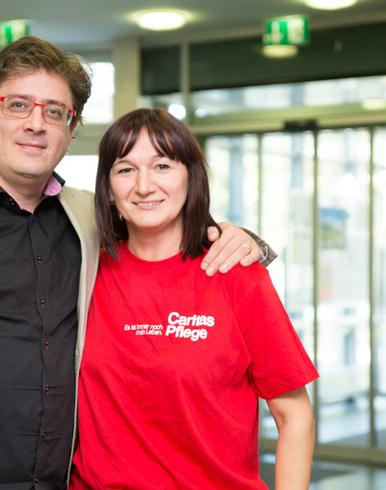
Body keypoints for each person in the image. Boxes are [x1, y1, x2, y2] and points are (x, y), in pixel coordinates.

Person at [0, 38, 271, 490]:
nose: (36, 124)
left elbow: (165, 232)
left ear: (71, 127)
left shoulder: (93, 219)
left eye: (55, 111)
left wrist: (240, 240)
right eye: (18, 105)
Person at [70, 108, 319, 490]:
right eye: (125, 169)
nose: (144, 185)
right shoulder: (84, 271)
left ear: (191, 178)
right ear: (108, 188)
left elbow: (294, 416)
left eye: (162, 166)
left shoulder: (235, 274)